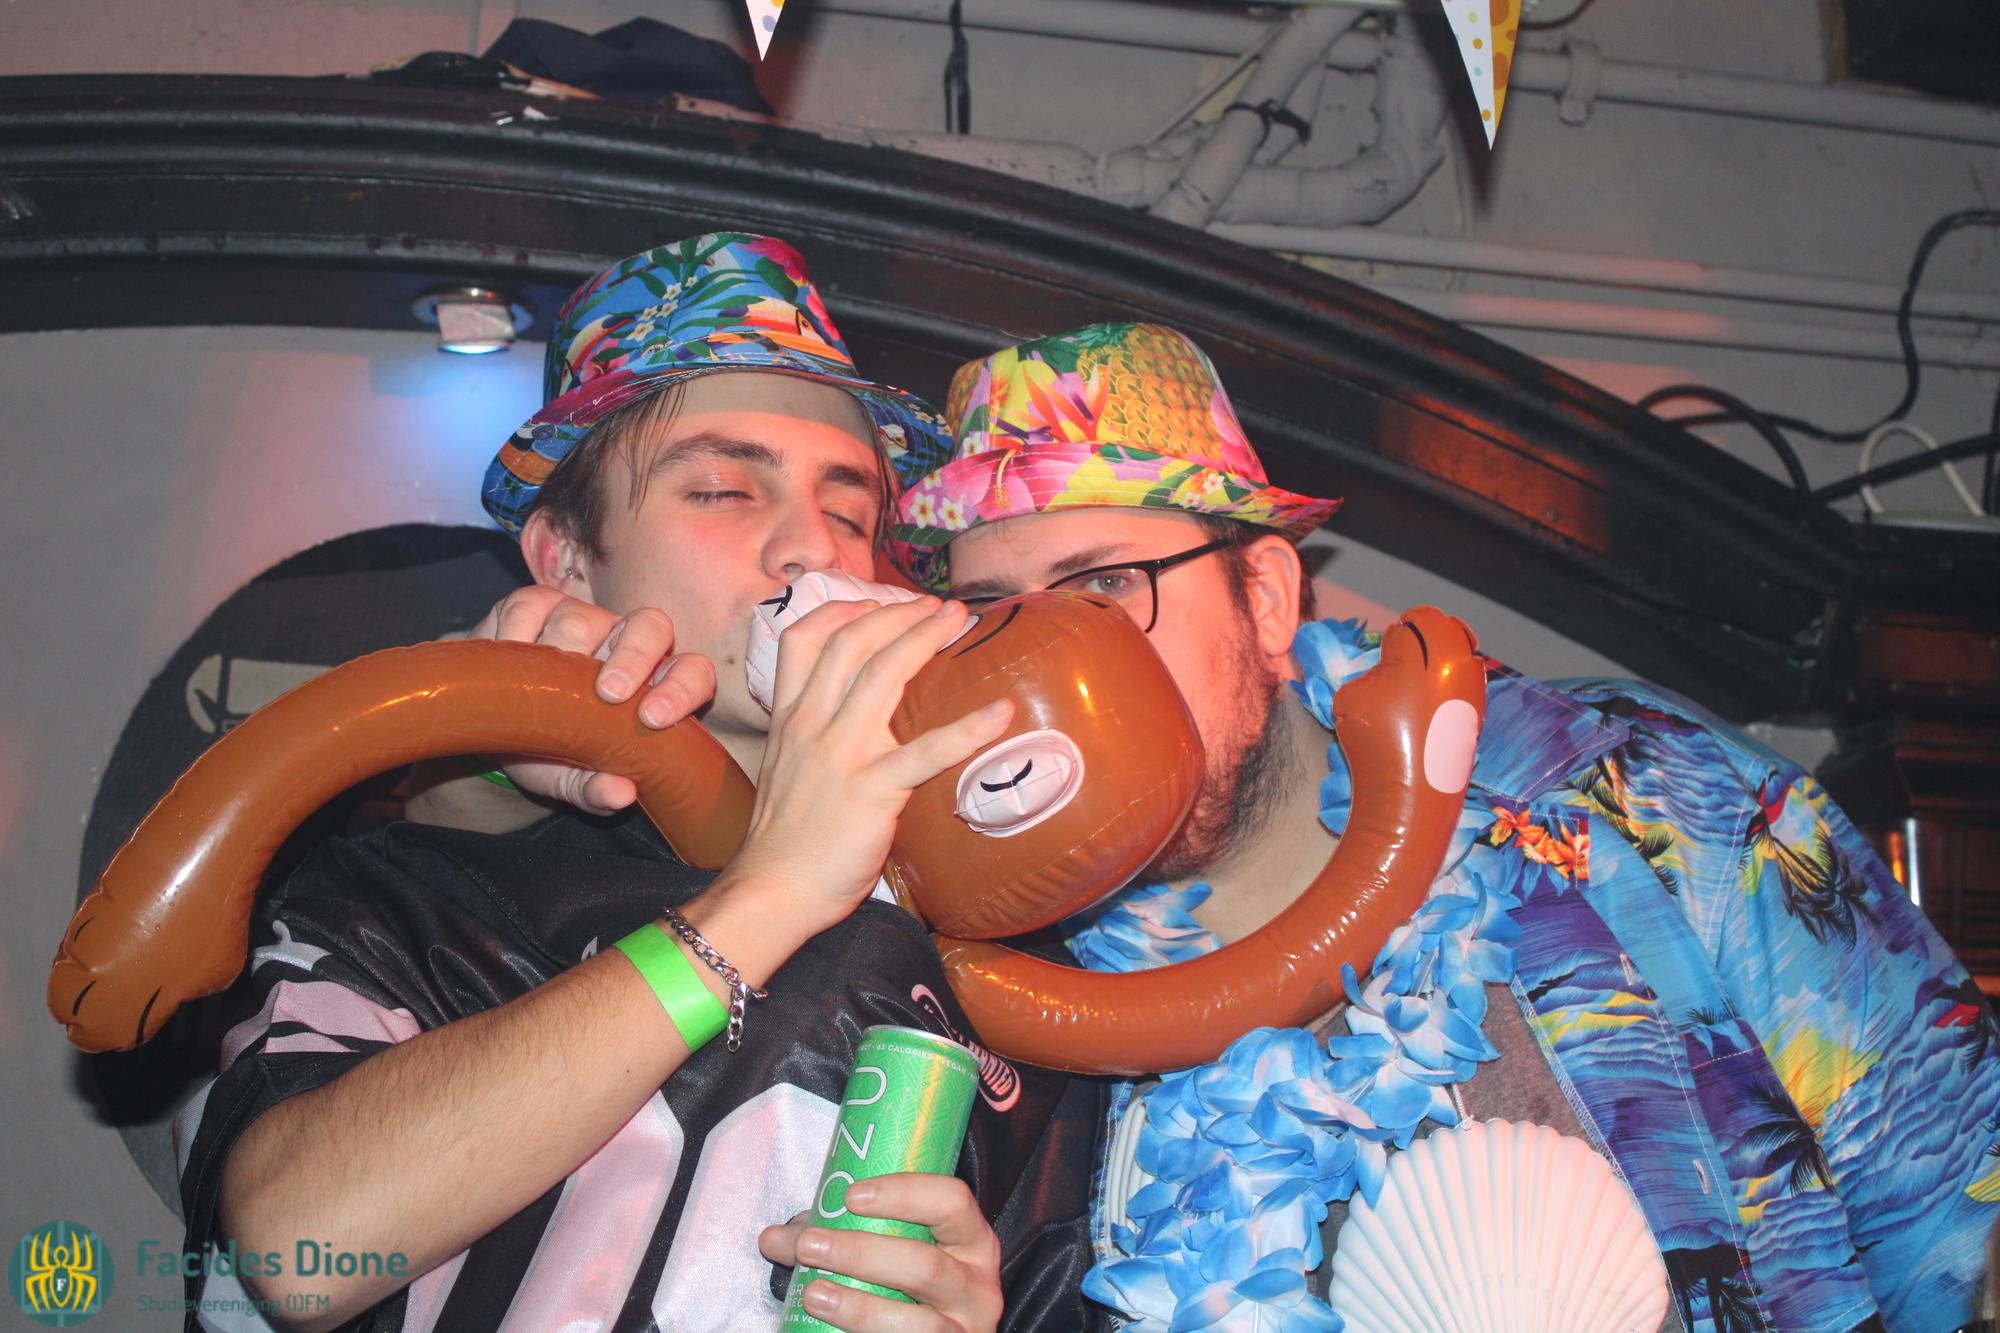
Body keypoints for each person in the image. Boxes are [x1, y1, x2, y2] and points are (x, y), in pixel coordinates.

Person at [495, 320, 2000, 1333]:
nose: (1051, 667)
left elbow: (1964, 1206)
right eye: (992, 616)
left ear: (1267, 597)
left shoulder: (1629, 793)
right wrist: (490, 752)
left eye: (1104, 589)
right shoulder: (972, 973)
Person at [171, 233, 1102, 1333]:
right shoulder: (417, 884)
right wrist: (769, 893)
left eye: (852, 513)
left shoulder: (1013, 959)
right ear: (566, 559)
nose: (811, 547)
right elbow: (296, 1249)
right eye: (721, 489)